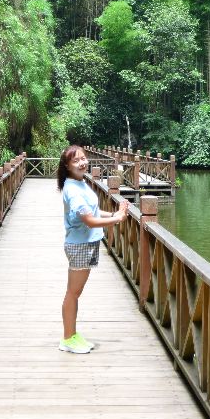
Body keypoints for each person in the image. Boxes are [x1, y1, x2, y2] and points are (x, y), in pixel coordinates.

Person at [57, 145, 128, 354]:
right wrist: (116, 218)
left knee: (75, 293)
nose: (82, 163)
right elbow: (88, 220)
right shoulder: (73, 189)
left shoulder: (81, 183)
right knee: (72, 293)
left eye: (83, 158)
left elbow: (94, 211)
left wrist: (114, 214)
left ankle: (72, 334)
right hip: (80, 246)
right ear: (67, 166)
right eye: (76, 160)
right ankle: (68, 338)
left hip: (85, 244)